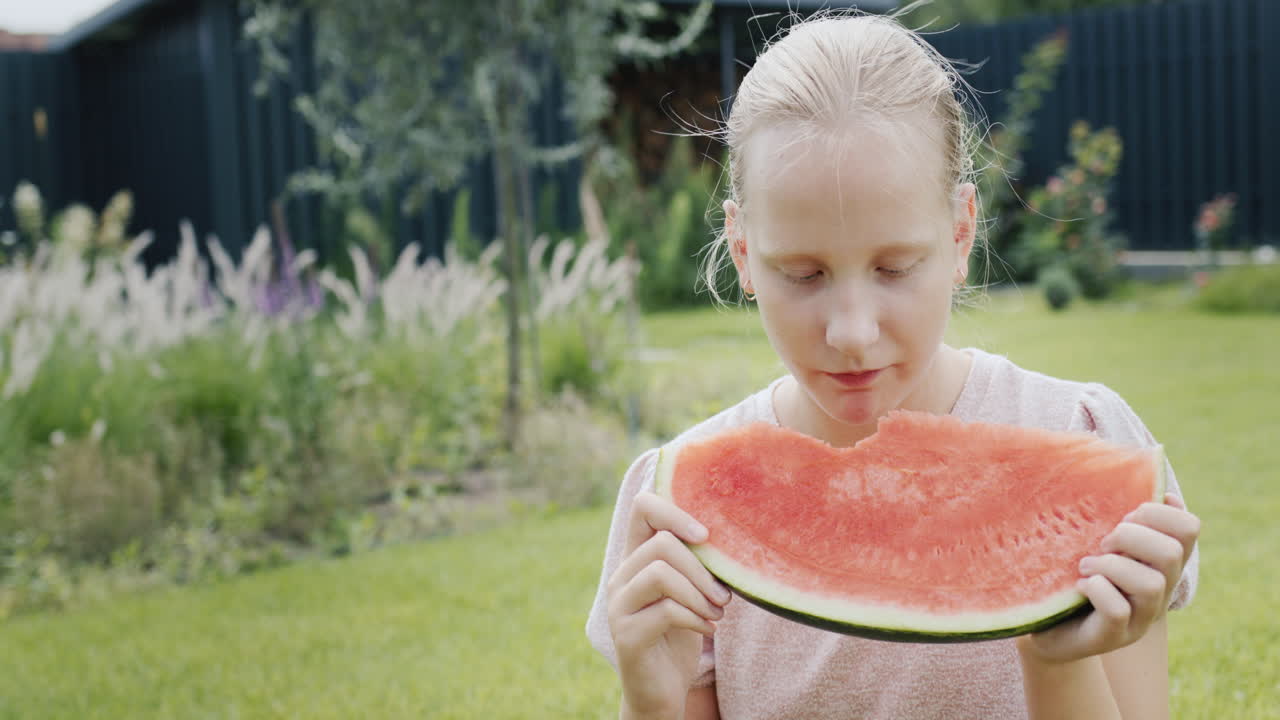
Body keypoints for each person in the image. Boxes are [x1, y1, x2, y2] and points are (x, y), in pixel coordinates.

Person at [585, 8, 1200, 720]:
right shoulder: (678, 512)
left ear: (962, 232)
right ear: (743, 252)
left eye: (896, 266)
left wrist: (1055, 657)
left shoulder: (1086, 436)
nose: (851, 332)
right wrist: (650, 701)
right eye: (804, 274)